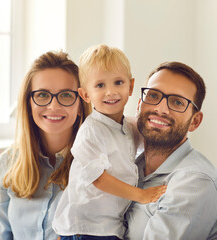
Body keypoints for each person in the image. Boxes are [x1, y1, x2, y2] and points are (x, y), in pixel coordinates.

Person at [53, 44, 166, 240]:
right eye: (100, 85)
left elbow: (151, 137)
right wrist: (142, 195)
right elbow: (98, 179)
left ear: (130, 87)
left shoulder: (129, 126)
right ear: (85, 94)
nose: (110, 92)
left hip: (110, 225)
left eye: (118, 82)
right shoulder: (91, 132)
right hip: (85, 227)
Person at [0, 50, 91, 239]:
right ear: (29, 104)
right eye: (42, 94)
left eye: (66, 95)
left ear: (80, 105)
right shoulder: (8, 162)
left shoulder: (95, 164)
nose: (53, 106)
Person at [124, 62, 217, 240]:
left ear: (195, 121)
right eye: (153, 95)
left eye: (177, 102)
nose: (160, 109)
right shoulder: (130, 167)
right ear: (139, 105)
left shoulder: (195, 181)